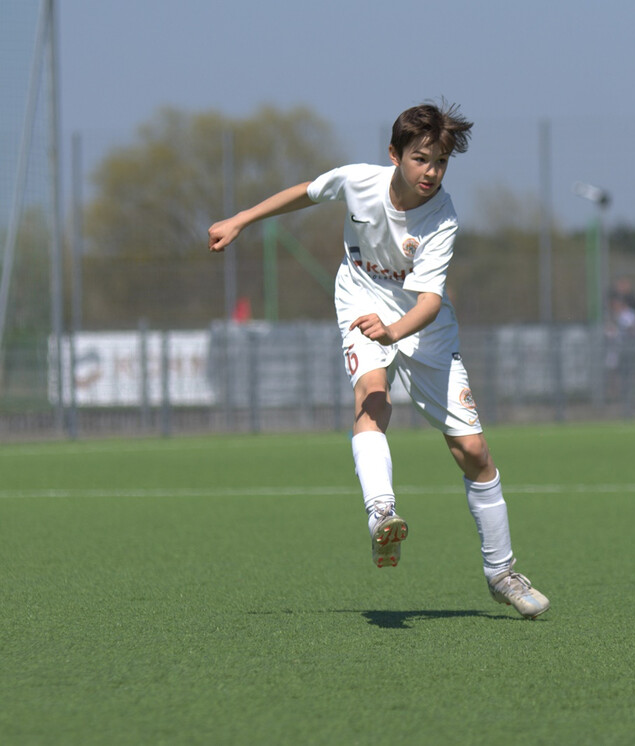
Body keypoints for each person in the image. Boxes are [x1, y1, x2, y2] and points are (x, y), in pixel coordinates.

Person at [207, 101, 549, 619]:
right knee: (373, 398)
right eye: (421, 159)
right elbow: (304, 193)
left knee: (474, 451)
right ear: (395, 155)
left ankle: (501, 573)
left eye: (440, 163)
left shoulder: (443, 216)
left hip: (421, 325)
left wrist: (394, 332)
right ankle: (381, 513)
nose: (431, 171)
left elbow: (430, 302)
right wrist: (242, 219)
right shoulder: (358, 181)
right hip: (361, 303)